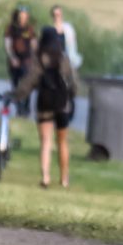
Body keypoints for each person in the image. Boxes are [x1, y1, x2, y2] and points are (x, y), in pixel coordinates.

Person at [32, 20, 77, 188]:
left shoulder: (39, 58)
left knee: (45, 141)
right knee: (62, 142)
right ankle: (64, 179)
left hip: (44, 103)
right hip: (61, 104)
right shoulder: (63, 58)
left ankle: (45, 177)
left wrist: (18, 95)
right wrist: (70, 97)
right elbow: (73, 82)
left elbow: (30, 80)